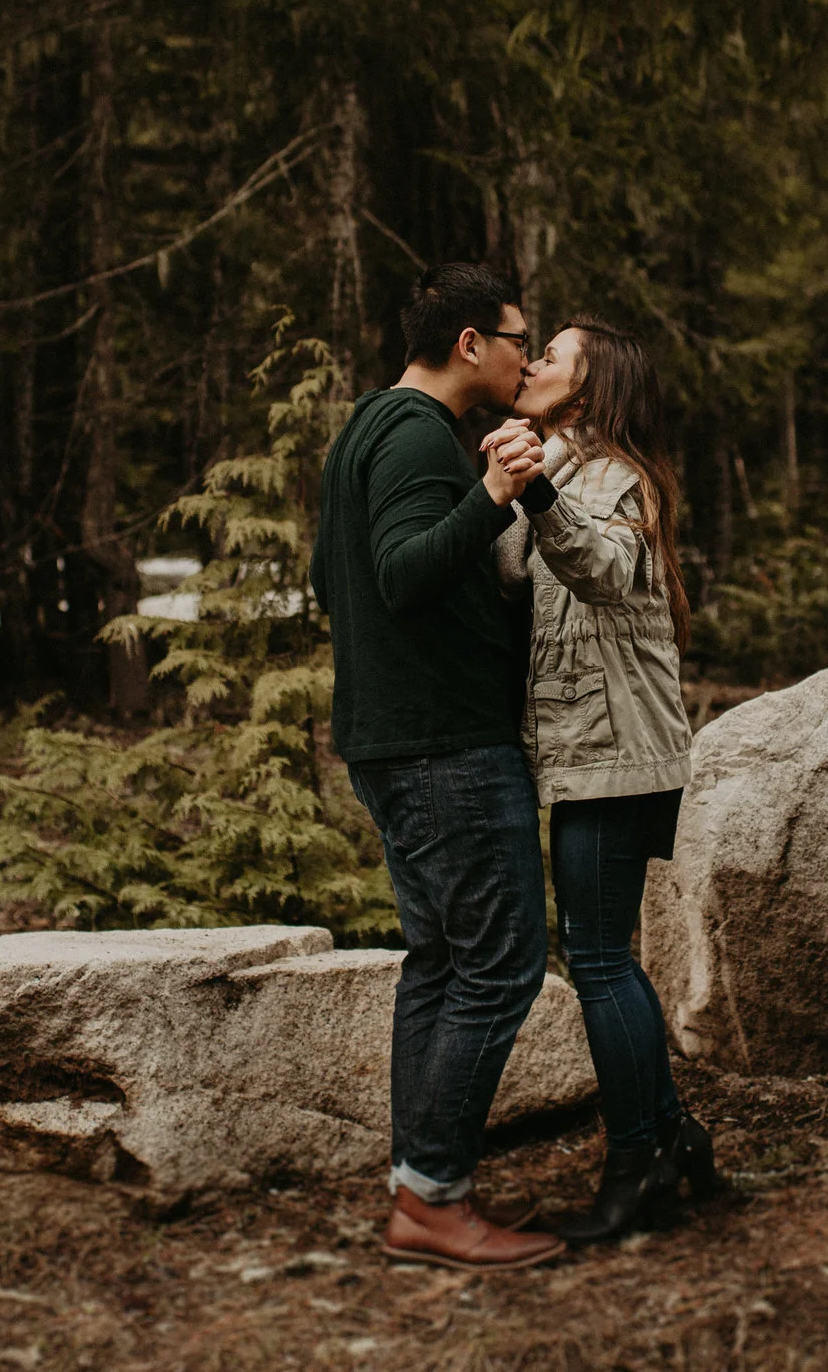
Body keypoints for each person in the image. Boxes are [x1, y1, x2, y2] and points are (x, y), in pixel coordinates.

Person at [310, 262, 568, 1272]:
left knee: (441, 961)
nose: (523, 354)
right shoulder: (421, 435)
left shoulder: (370, 424)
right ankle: (432, 1197)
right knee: (501, 966)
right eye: (516, 337)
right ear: (471, 343)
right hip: (442, 745)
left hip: (394, 737)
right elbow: (400, 572)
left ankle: (417, 1179)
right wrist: (498, 493)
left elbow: (339, 577)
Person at [486, 319, 717, 1243]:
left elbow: (605, 570)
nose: (532, 363)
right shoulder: (557, 469)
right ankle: (674, 1137)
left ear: (588, 391)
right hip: (585, 752)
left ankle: (636, 1163)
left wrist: (532, 483)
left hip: (619, 754)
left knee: (596, 958)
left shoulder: (617, 477)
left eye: (552, 355)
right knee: (601, 954)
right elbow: (508, 574)